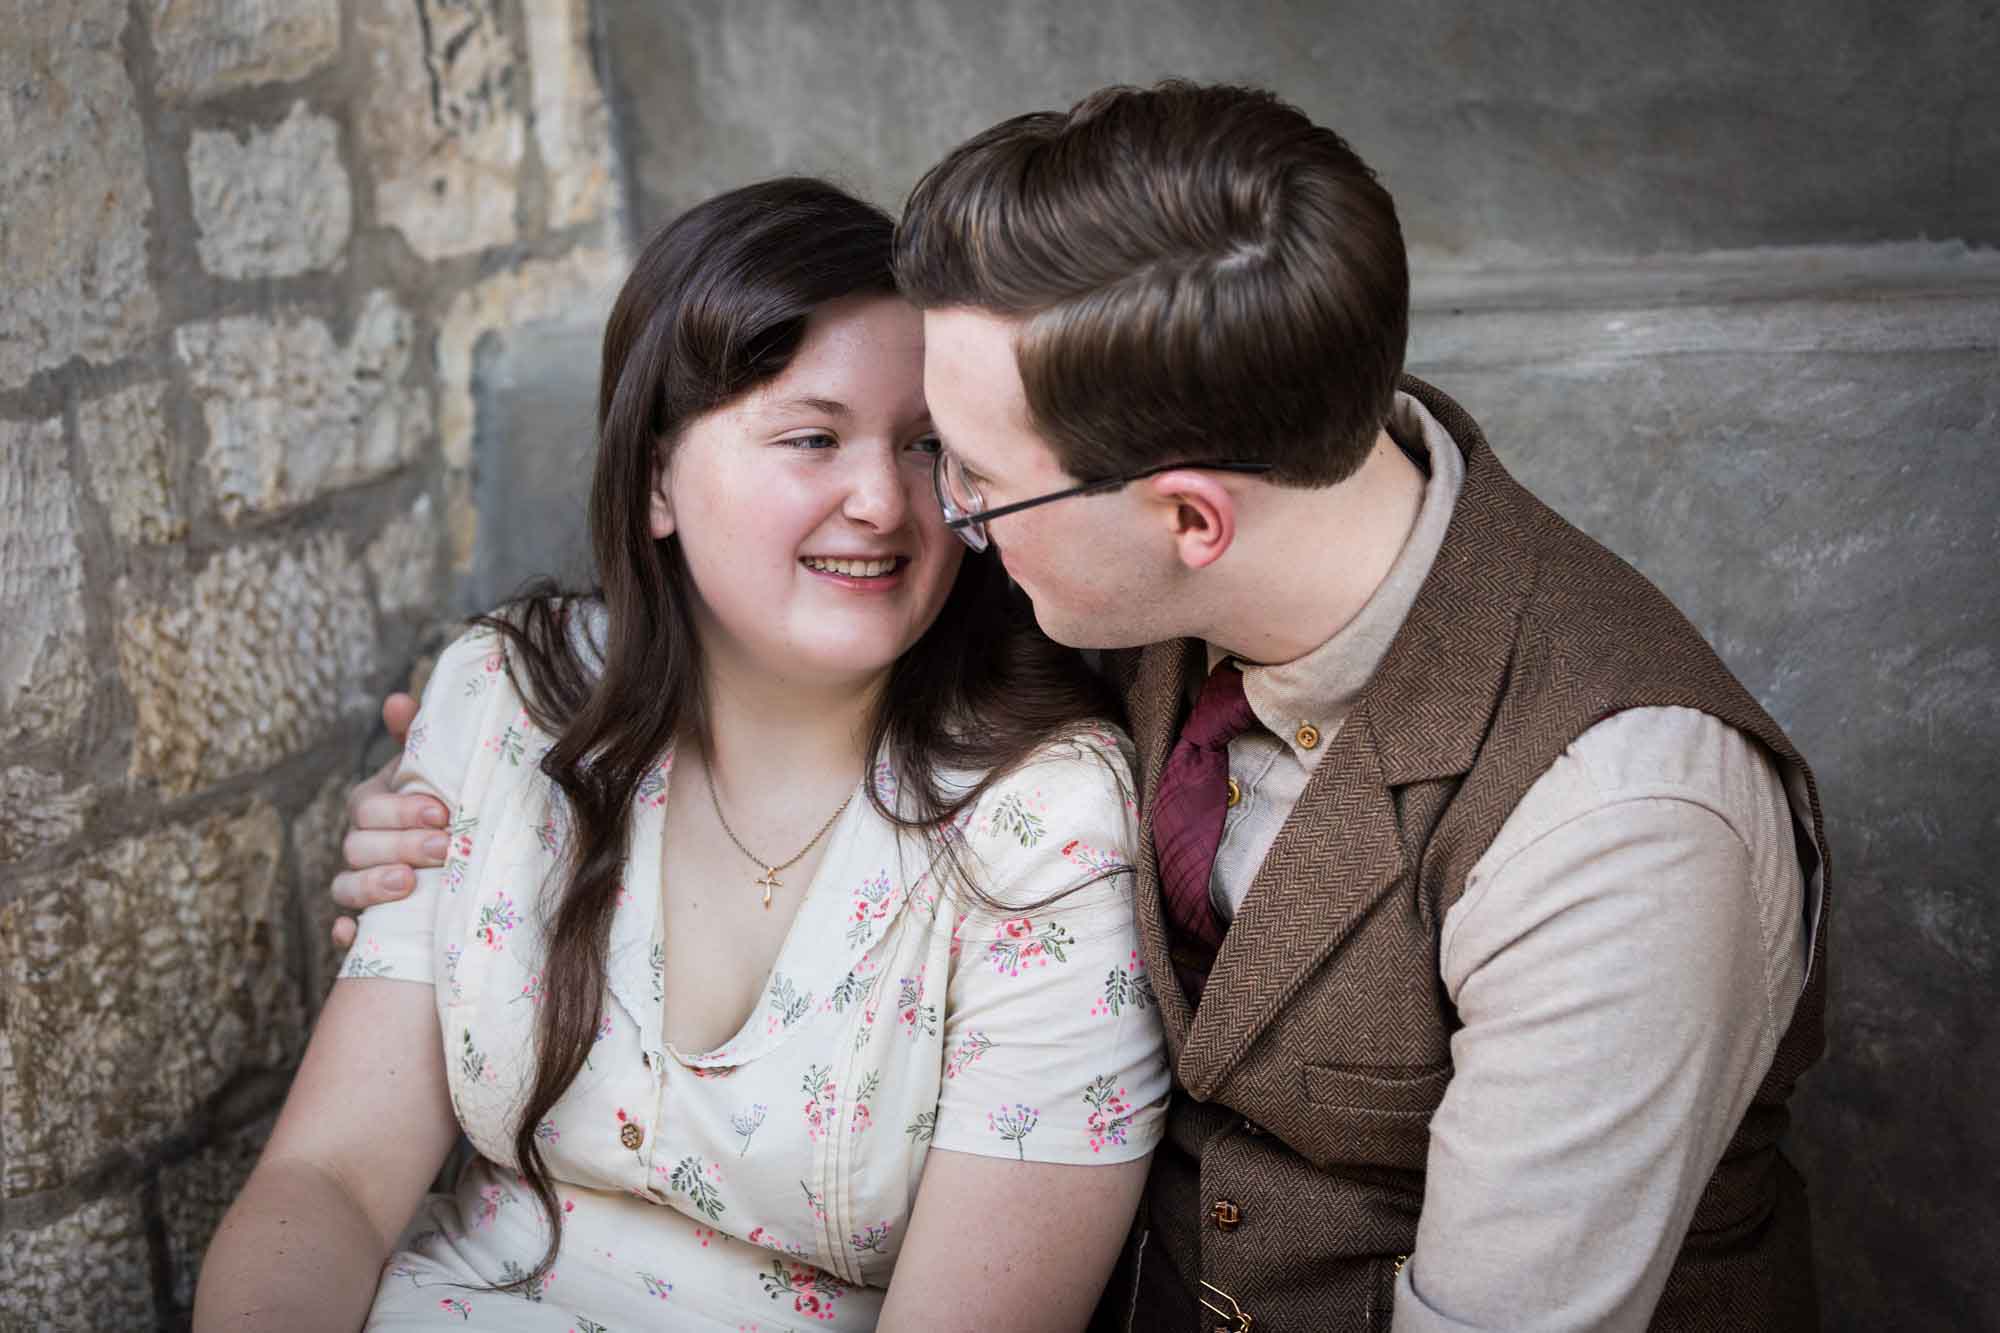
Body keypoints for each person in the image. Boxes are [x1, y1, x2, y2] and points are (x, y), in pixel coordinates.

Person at [332, 83, 1831, 1331]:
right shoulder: (1199, 519)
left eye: (969, 472)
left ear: (1189, 523)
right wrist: (452, 820)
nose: (940, 522)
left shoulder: (1623, 827)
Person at [196, 178, 1169, 1333]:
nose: (881, 500)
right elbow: (330, 1180)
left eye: (926, 447)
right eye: (812, 437)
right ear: (656, 475)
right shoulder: (509, 698)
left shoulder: (1042, 819)